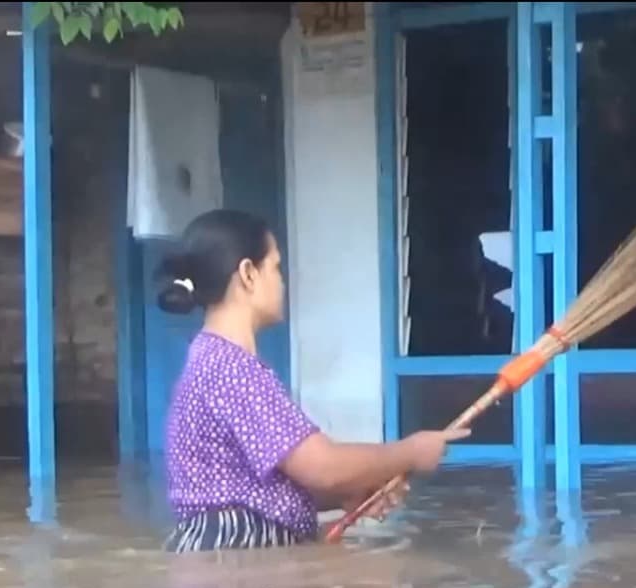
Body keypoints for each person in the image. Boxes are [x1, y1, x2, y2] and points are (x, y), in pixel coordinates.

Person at [157, 209, 468, 552]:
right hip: (238, 552)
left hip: (224, 548)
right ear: (248, 274)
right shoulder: (230, 368)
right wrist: (411, 452)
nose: (282, 281)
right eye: (275, 268)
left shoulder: (213, 359)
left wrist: (349, 493)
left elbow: (252, 487)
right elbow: (322, 467)